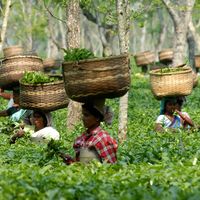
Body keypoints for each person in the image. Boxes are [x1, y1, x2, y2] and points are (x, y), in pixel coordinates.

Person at [61, 99, 118, 164]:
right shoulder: (83, 137)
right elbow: (80, 165)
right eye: (83, 114)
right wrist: (69, 160)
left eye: (86, 115)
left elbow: (111, 167)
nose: (83, 118)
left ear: (97, 118)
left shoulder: (103, 138)